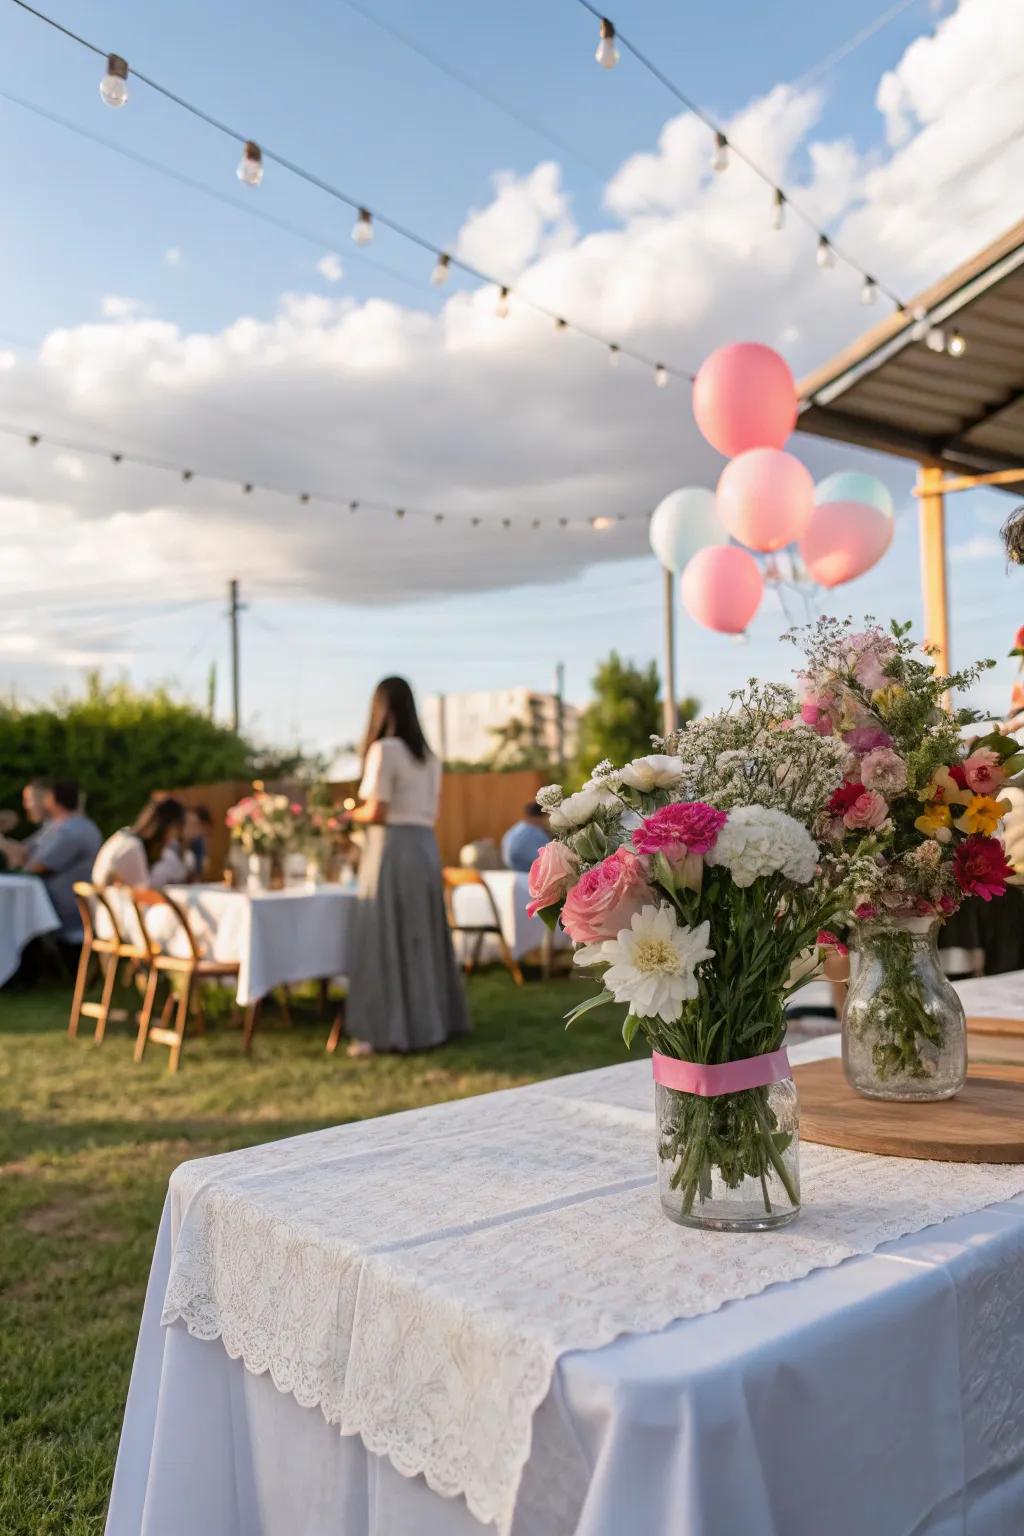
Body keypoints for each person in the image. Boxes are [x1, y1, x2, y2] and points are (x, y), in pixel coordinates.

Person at [343, 676, 470, 1055]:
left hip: (392, 849)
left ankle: (386, 1031)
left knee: (384, 937)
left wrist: (347, 817)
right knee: (421, 937)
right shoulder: (429, 758)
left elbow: (377, 811)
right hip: (424, 847)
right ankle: (432, 1024)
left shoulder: (384, 750)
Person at [24, 781, 101, 946]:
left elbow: (34, 867)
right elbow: (25, 852)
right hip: (66, 909)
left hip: (63, 914)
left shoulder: (71, 832)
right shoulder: (63, 826)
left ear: (52, 801)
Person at [93, 798, 188, 889]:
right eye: (175, 831)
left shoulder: (124, 837)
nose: (173, 839)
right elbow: (143, 892)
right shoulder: (133, 847)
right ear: (167, 827)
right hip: (113, 903)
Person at [0, 780, 51, 869]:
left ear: (47, 799)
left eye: (29, 800)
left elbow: (22, 855)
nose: (26, 805)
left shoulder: (57, 828)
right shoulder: (47, 827)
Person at [501, 802, 551, 873]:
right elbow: (548, 858)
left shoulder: (518, 827)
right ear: (543, 816)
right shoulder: (536, 832)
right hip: (527, 871)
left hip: (512, 868)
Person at [183, 805, 212, 882]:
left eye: (196, 825)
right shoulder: (170, 849)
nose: (196, 830)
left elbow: (199, 874)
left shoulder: (198, 843)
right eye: (191, 824)